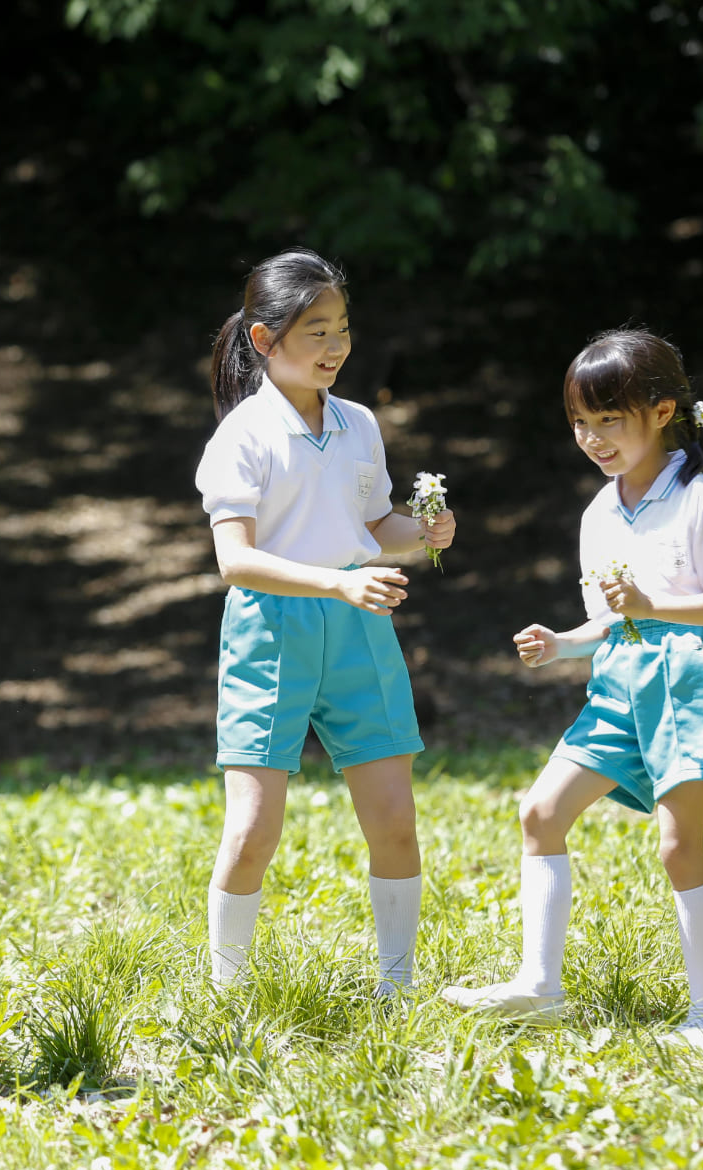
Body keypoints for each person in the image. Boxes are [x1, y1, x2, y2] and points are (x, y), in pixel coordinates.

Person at [441, 329, 703, 1049]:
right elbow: (607, 618)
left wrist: (652, 606)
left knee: (680, 847)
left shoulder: (699, 501)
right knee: (541, 812)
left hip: (690, 682)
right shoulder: (598, 512)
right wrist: (561, 643)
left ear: (661, 409)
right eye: (580, 422)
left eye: (608, 420)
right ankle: (537, 986)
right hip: (618, 684)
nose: (592, 438)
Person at [194, 248, 457, 997]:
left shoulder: (360, 424)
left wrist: (425, 531)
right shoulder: (241, 439)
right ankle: (228, 996)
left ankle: (398, 988)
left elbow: (373, 529)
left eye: (342, 328)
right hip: (271, 634)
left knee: (395, 823)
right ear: (263, 340)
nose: (336, 346)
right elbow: (236, 563)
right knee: (251, 834)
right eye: (316, 331)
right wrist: (339, 585)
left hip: (360, 631)